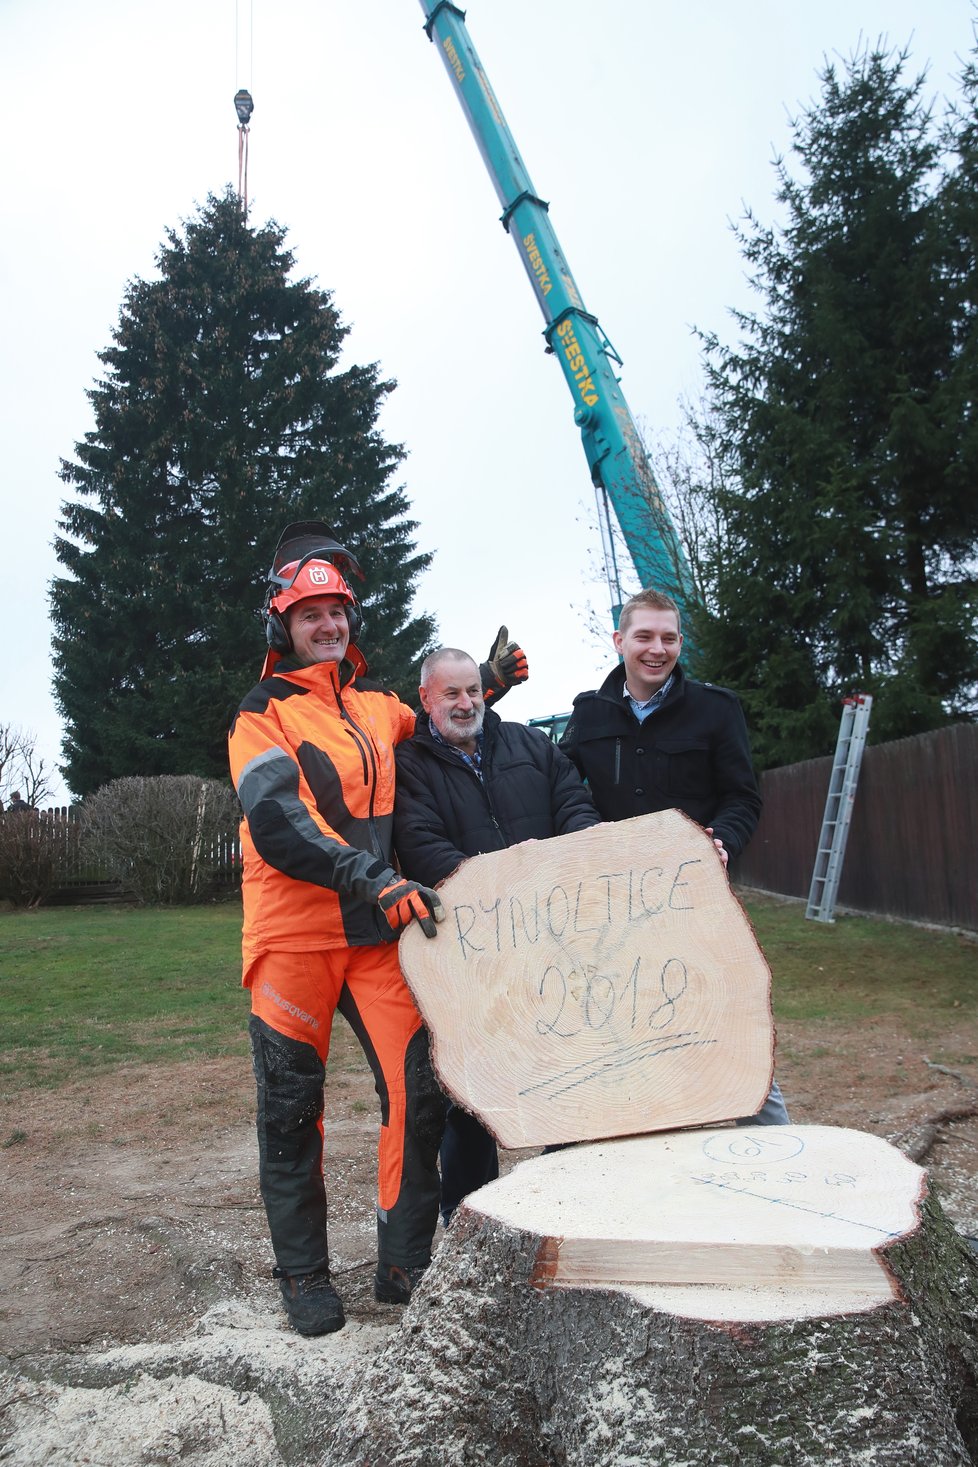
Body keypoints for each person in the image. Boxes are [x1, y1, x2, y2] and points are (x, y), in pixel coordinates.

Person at [228, 523, 528, 1335]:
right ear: (282, 624)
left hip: (371, 936)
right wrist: (372, 874)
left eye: (338, 611)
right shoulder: (260, 715)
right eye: (310, 612)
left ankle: (405, 1264)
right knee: (291, 1110)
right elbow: (279, 819)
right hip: (294, 939)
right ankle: (303, 1275)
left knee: (421, 1092)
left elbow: (435, 717)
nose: (328, 624)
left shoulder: (373, 707)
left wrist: (489, 682)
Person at [559, 587, 789, 1125]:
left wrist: (722, 839)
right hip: (615, 907)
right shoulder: (589, 714)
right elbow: (563, 790)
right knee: (622, 1027)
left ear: (680, 643)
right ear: (620, 641)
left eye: (668, 637)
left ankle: (775, 1149)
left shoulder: (715, 710)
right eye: (644, 636)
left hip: (695, 899)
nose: (656, 649)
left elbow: (743, 796)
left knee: (725, 1021)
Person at [393, 646, 601, 1222]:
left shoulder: (533, 747)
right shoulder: (410, 766)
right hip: (473, 957)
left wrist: (562, 863)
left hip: (556, 947)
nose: (466, 704)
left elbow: (576, 807)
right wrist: (506, 889)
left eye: (474, 692)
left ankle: (568, 1213)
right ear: (426, 700)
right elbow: (422, 846)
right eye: (451, 694)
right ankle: (470, 1227)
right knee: (473, 1098)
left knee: (569, 1079)